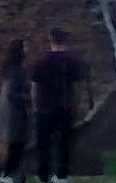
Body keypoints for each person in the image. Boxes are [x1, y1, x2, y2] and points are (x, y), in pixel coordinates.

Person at [30, 27, 87, 183]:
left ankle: (43, 176)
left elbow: (35, 87)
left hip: (44, 108)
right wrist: (76, 105)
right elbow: (78, 87)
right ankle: (61, 176)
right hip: (65, 107)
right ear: (65, 40)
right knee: (64, 143)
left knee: (43, 145)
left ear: (51, 40)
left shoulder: (40, 62)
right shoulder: (73, 61)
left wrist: (35, 106)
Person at [0, 39, 30, 183]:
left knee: (16, 148)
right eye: (25, 46)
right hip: (16, 116)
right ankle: (7, 175)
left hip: (11, 114)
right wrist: (29, 98)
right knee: (16, 148)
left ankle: (11, 174)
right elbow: (12, 94)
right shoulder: (17, 71)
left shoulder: (11, 69)